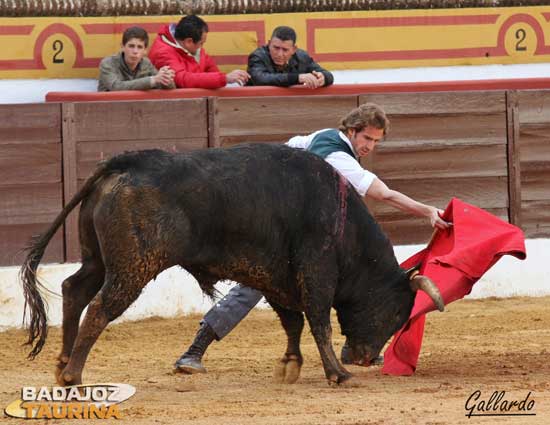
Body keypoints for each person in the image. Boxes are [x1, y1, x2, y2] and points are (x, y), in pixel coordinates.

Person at [174, 103, 451, 374]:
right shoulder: (336, 156)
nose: (370, 146)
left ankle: (352, 346)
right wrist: (426, 211)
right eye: (367, 137)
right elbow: (385, 194)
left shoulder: (330, 141)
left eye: (376, 141)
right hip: (271, 223)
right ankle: (195, 350)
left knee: (337, 277)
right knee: (256, 283)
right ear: (352, 131)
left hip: (283, 220)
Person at [148, 15, 250, 89]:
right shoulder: (163, 53)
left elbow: (210, 67)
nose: (202, 47)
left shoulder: (191, 46)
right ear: (189, 42)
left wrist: (229, 79)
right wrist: (225, 78)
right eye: (201, 43)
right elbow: (182, 80)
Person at [247, 26, 333, 88]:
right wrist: (298, 78)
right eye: (276, 48)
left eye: (285, 50)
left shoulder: (302, 57)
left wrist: (323, 78)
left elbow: (328, 75)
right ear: (269, 44)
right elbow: (260, 79)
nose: (280, 54)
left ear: (294, 49)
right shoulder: (258, 56)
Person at [98, 26, 175, 92]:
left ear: (145, 50)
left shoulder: (146, 63)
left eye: (140, 47)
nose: (135, 51)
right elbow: (116, 87)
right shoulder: (108, 63)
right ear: (122, 47)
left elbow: (169, 88)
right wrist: (152, 80)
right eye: (131, 46)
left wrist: (166, 79)